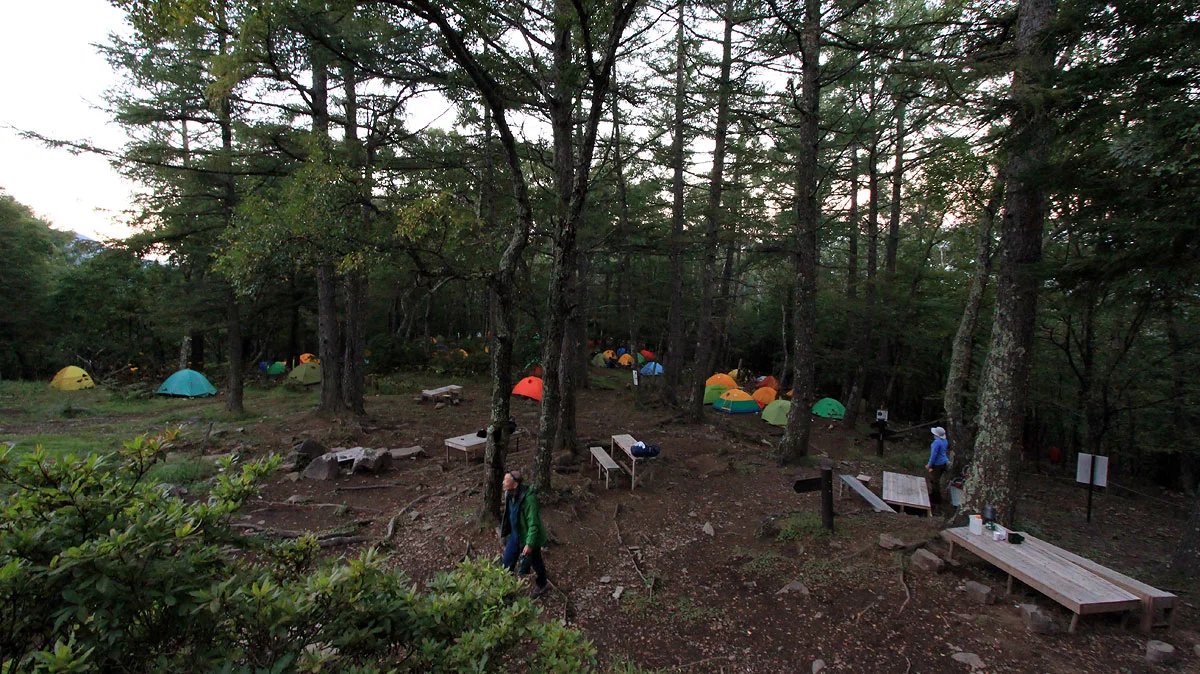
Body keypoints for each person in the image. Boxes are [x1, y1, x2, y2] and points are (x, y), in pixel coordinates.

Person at [500, 470, 548, 597]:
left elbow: (534, 524)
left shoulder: (529, 500)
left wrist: (529, 544)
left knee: (536, 562)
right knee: (506, 562)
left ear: (515, 484)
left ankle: (542, 584)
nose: (503, 483)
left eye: (506, 480)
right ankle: (506, 588)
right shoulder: (509, 494)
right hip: (515, 535)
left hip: (528, 537)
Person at [927, 427, 949, 506]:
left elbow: (934, 455)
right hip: (944, 462)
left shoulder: (936, 443)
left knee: (934, 481)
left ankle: (935, 499)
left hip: (937, 464)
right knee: (936, 480)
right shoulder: (945, 441)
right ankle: (935, 497)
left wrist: (929, 464)